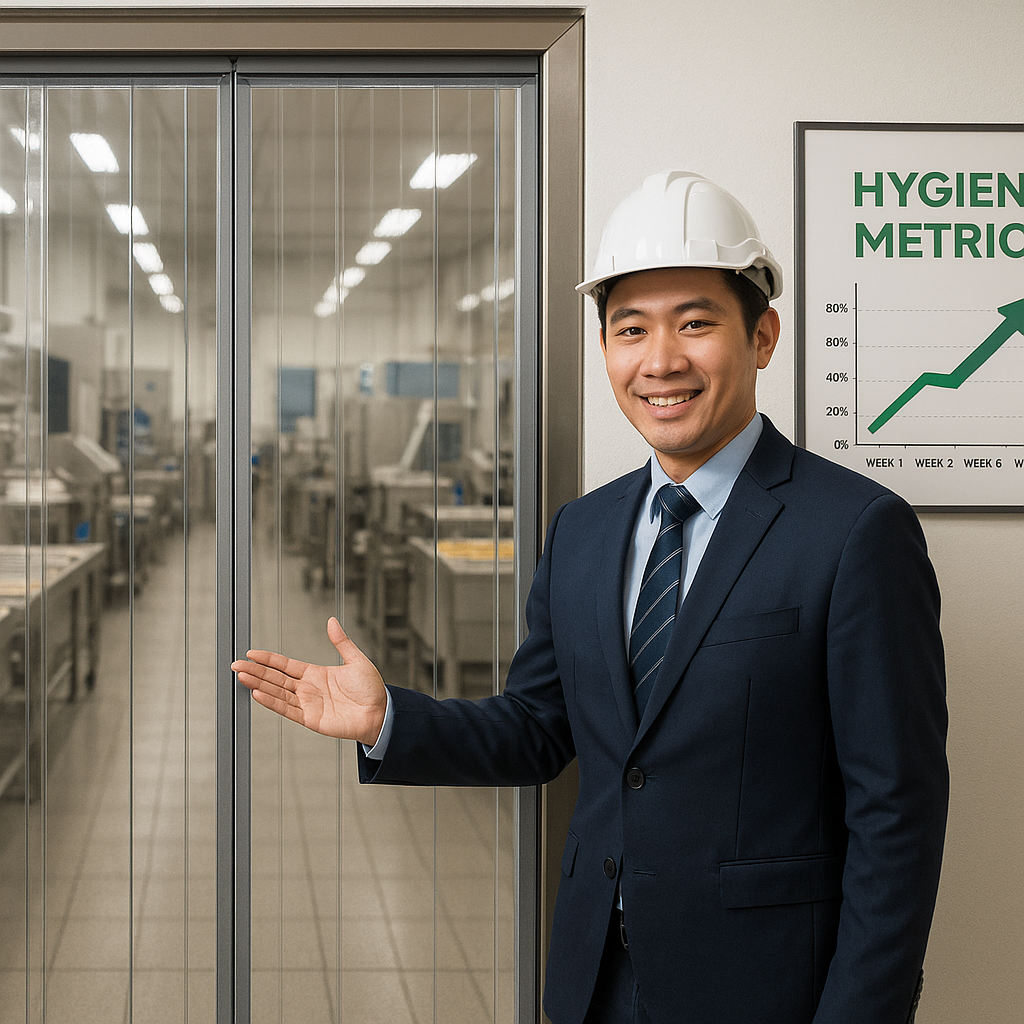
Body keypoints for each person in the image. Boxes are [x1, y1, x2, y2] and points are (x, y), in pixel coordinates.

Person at [233, 171, 948, 1024]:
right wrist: (392, 721)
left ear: (763, 336)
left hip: (762, 988)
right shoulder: (583, 530)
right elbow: (539, 729)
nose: (661, 361)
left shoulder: (855, 530)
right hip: (590, 981)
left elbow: (897, 811)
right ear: (606, 349)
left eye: (695, 323)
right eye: (630, 329)